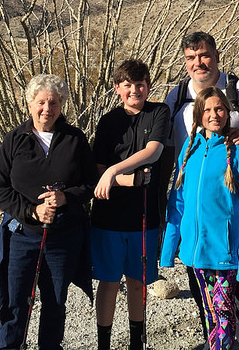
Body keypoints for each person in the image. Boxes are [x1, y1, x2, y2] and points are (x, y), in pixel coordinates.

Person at [163, 31, 239, 350]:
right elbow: (170, 150)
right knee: (205, 298)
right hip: (196, 218)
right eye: (191, 57)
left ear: (216, 55)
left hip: (229, 204)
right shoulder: (177, 96)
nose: (199, 62)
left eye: (204, 55)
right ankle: (220, 340)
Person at [0, 74, 99, 350]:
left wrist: (64, 198)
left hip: (63, 238)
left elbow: (90, 183)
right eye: (41, 102)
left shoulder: (75, 139)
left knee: (55, 303)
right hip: (22, 236)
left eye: (54, 103)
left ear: (62, 106)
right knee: (15, 303)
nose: (47, 109)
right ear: (29, 104)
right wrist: (31, 211)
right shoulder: (14, 140)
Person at [90, 59, 170, 350]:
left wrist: (114, 171)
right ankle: (104, 343)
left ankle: (138, 341)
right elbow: (96, 167)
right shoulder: (109, 121)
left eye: (140, 84)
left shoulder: (159, 112)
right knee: (108, 283)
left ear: (149, 86)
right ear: (116, 89)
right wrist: (124, 178)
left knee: (138, 282)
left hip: (144, 218)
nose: (134, 90)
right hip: (108, 218)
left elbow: (154, 150)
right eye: (127, 85)